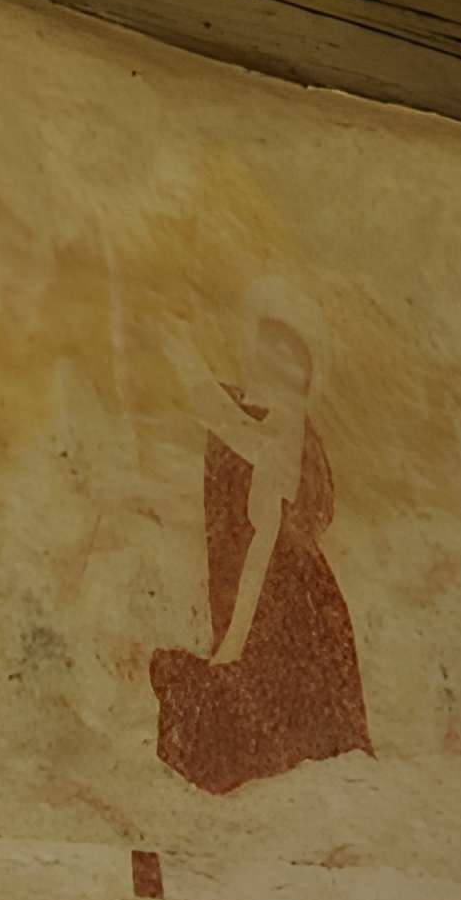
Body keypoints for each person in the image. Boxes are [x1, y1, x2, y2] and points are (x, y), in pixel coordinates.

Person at [148, 289, 373, 794]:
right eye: (271, 345)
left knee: (261, 707)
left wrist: (186, 361)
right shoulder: (271, 417)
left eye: (293, 353)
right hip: (287, 587)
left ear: (306, 371)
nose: (278, 360)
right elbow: (227, 421)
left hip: (290, 595)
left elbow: (231, 432)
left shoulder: (289, 424)